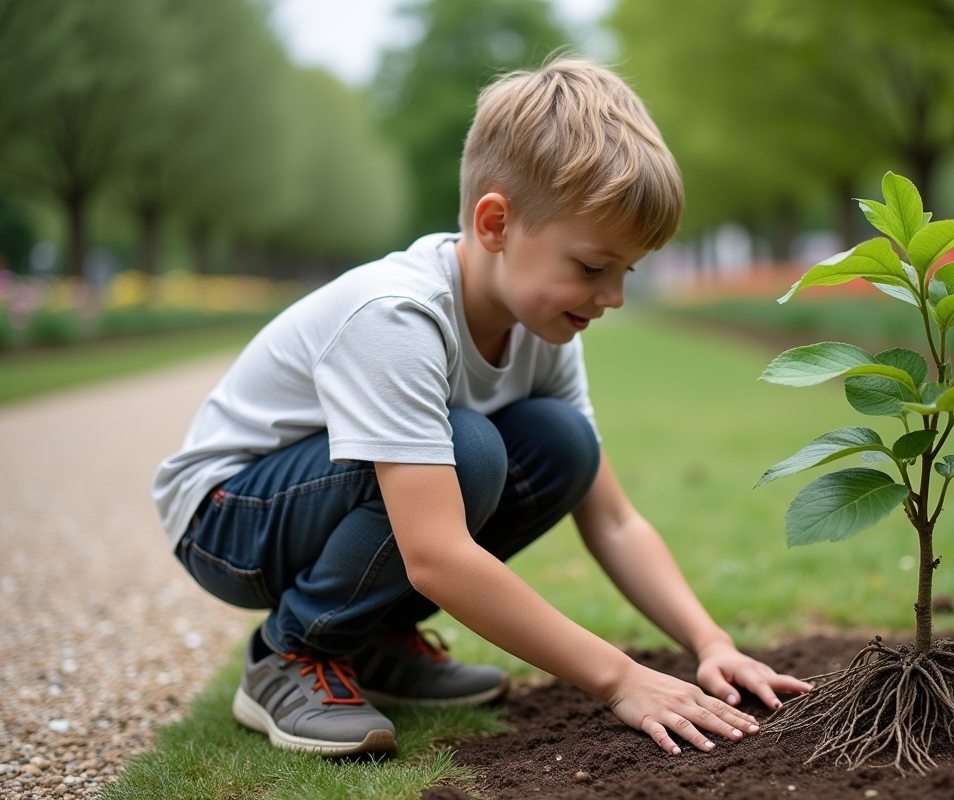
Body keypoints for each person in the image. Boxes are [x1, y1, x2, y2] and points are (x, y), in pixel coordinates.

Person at [152, 57, 810, 759]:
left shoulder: (543, 328)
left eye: (627, 271)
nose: (613, 297)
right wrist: (620, 679)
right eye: (593, 267)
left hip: (323, 504)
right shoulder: (397, 316)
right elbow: (435, 555)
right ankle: (292, 652)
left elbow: (613, 519)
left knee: (564, 442)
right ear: (496, 224)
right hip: (227, 519)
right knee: (467, 449)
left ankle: (374, 641)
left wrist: (711, 643)